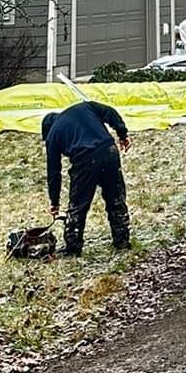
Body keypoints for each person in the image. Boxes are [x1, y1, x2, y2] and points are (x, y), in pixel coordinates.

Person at [40, 99, 131, 256]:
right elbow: (110, 112)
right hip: (109, 150)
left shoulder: (53, 135)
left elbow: (54, 173)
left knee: (78, 206)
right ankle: (122, 241)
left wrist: (54, 202)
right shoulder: (85, 106)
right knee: (116, 199)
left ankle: (73, 248)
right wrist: (122, 134)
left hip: (85, 161)